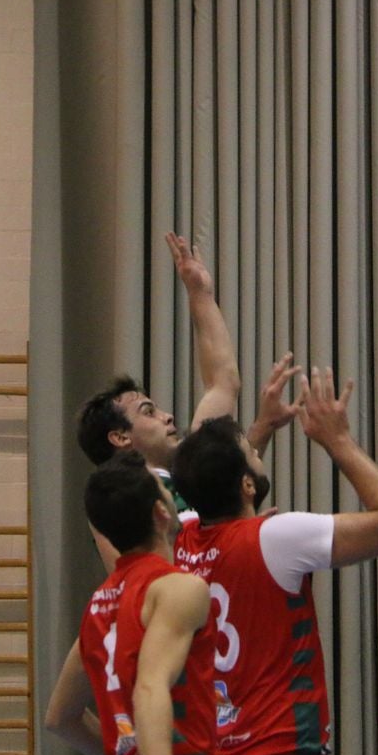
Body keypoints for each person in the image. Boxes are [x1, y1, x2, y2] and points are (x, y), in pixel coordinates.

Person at [169, 367, 378, 755]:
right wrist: (337, 440)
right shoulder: (275, 537)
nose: (255, 451)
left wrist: (263, 427)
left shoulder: (182, 539)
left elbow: (220, 480)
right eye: (250, 452)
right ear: (247, 484)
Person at [75, 231, 301, 566]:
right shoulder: (113, 497)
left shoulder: (192, 470)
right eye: (148, 411)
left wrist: (200, 294)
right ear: (120, 436)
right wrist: (236, 541)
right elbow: (139, 580)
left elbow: (222, 383)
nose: (168, 416)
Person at [44, 451, 229, 755]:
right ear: (161, 512)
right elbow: (150, 686)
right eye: (163, 486)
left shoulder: (97, 607)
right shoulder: (178, 588)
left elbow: (60, 718)